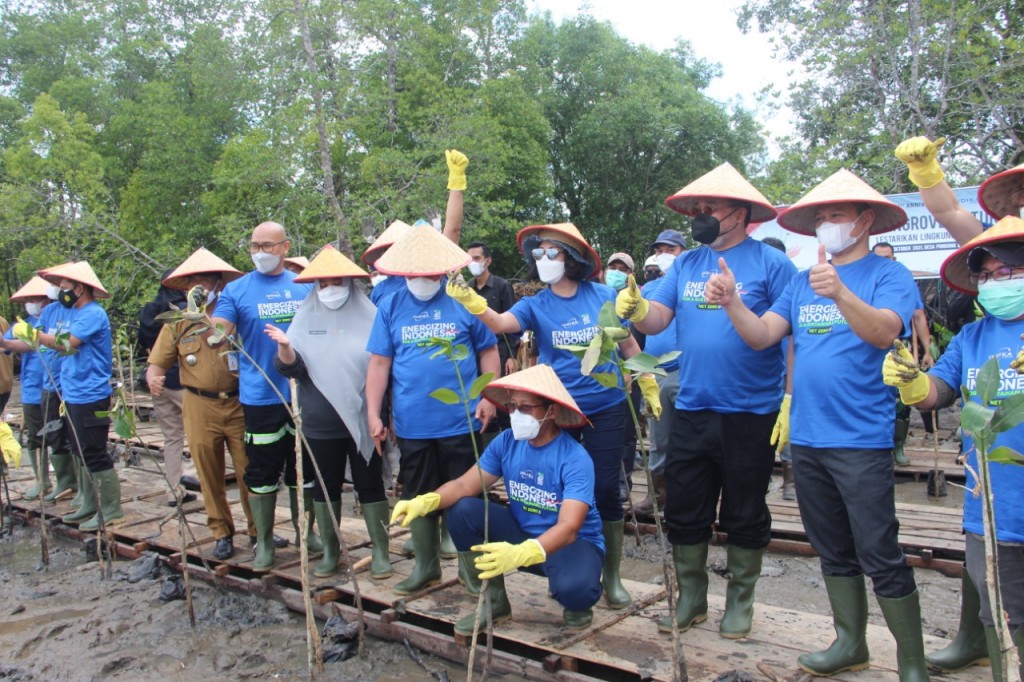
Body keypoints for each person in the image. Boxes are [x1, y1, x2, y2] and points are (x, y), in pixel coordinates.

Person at [704, 169, 927, 680]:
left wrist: (842, 295)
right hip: (805, 436)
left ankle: (913, 663)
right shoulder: (803, 282)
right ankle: (850, 642)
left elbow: (885, 333)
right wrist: (733, 301)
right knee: (832, 547)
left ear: (865, 220)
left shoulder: (888, 276)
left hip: (862, 438)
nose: (827, 224)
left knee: (879, 549)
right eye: (821, 217)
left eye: (837, 215)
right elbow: (763, 336)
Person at [616, 163, 795, 638]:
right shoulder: (689, 263)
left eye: (709, 207)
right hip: (692, 406)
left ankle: (740, 601)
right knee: (686, 509)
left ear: (740, 213)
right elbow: (657, 320)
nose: (701, 215)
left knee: (745, 509)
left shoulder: (773, 265)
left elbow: (776, 338)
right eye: (697, 209)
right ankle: (691, 598)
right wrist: (635, 306)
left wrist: (789, 396)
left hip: (750, 411)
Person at [446, 222, 656, 611]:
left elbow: (627, 341)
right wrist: (474, 305)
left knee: (608, 489)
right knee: (564, 486)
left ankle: (610, 575)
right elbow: (503, 323)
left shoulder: (602, 295)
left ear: (571, 259)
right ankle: (563, 557)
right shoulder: (536, 304)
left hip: (607, 405)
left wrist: (645, 376)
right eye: (538, 254)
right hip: (558, 409)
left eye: (552, 253)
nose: (544, 260)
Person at [883, 215, 1024, 681]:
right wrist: (911, 381)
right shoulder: (972, 337)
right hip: (993, 506)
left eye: (1003, 273)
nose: (991, 284)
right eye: (983, 276)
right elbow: (937, 393)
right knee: (1001, 613)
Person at [390, 364, 604, 633]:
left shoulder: (574, 458)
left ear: (551, 411)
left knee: (576, 590)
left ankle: (578, 595)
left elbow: (570, 527)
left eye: (526, 408)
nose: (516, 414)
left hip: (568, 543)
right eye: (513, 406)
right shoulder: (506, 442)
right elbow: (464, 484)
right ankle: (494, 601)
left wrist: (521, 553)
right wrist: (425, 501)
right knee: (463, 509)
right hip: (521, 531)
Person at [366, 224, 499, 595]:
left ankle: (474, 573)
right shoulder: (390, 305)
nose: (422, 278)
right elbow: (379, 364)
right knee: (418, 494)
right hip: (412, 423)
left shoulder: (462, 299)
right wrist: (374, 414)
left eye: (430, 271)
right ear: (402, 270)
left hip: (462, 419)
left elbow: (488, 351)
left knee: (467, 497)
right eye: (415, 271)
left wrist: (489, 396)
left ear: (442, 269)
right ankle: (426, 566)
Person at [265, 244, 392, 579]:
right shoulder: (304, 319)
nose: (330, 289)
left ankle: (381, 551)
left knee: (370, 485)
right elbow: (290, 370)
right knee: (325, 487)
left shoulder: (372, 316)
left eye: (337, 282)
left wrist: (383, 418)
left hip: (364, 419)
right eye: (323, 284)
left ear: (349, 284)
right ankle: (332, 552)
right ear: (315, 287)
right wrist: (286, 348)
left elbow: (384, 367)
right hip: (319, 423)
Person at [210, 223, 318, 572]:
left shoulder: (305, 285)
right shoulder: (236, 290)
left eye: (267, 245)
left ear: (285, 247)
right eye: (254, 246)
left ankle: (308, 533)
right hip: (260, 395)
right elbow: (220, 331)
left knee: (304, 468)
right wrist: (206, 322)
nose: (260, 252)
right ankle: (264, 542)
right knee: (261, 470)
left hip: (304, 392)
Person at [147, 248, 257, 561]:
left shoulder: (236, 313)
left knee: (250, 469)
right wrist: (153, 378)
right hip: (198, 404)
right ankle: (222, 532)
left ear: (219, 282)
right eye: (195, 280)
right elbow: (157, 363)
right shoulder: (178, 322)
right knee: (209, 473)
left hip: (238, 403)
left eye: (207, 279)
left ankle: (257, 529)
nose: (201, 285)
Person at [16, 262, 122, 532]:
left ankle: (110, 507)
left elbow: (67, 343)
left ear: (79, 288)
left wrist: (33, 334)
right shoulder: (76, 313)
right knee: (79, 449)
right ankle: (89, 502)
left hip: (91, 393)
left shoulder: (92, 314)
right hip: (73, 391)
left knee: (94, 451)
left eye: (64, 288)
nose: (61, 292)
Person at [362, 149, 469, 306]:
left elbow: (453, 229)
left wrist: (456, 184)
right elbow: (453, 230)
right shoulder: (382, 290)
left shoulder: (436, 273)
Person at [633, 229, 686, 518]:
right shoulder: (649, 289)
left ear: (683, 254)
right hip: (654, 374)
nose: (664, 255)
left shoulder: (692, 284)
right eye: (660, 250)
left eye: (671, 249)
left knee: (691, 437)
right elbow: (636, 331)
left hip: (685, 371)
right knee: (658, 437)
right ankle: (658, 494)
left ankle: (687, 495)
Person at [894, 136, 1024, 246]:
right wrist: (924, 172)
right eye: (1022, 194)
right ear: (1018, 200)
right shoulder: (1003, 243)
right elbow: (950, 213)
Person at [872, 241, 934, 467]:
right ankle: (880, 447)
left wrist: (926, 351)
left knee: (901, 401)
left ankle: (898, 445)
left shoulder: (901, 280)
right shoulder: (867, 281)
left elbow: (918, 316)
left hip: (898, 349)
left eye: (888, 257)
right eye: (879, 257)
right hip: (871, 352)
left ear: (894, 258)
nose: (884, 262)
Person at [138, 276, 196, 506]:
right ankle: (197, 477)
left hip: (157, 380)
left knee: (172, 438)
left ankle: (174, 491)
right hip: (182, 380)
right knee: (202, 432)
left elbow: (142, 343)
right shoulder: (183, 311)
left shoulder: (149, 310)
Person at [1, 276, 51, 499]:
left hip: (56, 385)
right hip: (31, 388)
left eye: (35, 298)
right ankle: (42, 481)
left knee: (60, 435)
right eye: (27, 299)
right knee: (35, 435)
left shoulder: (56, 320)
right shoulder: (23, 325)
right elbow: (7, 344)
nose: (30, 303)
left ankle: (68, 482)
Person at [466, 241, 521, 377]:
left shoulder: (502, 286)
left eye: (477, 258)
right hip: (472, 351)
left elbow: (513, 320)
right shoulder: (466, 289)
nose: (472, 262)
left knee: (497, 393)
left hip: (499, 350)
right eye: (469, 259)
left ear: (488, 261)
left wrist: (512, 356)